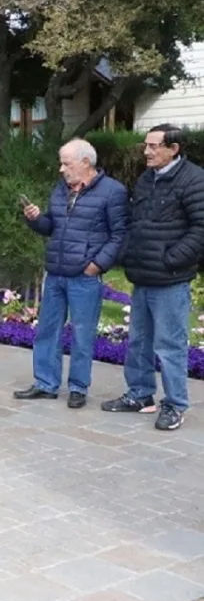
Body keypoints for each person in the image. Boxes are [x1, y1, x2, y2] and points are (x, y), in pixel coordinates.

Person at [101, 124, 204, 430]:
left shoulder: (194, 179)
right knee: (139, 341)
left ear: (174, 149)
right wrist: (129, 254)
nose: (147, 151)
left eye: (154, 146)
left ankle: (175, 404)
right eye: (146, 145)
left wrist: (170, 259)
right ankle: (140, 394)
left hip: (170, 278)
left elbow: (201, 229)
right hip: (142, 275)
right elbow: (136, 223)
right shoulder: (147, 180)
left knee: (169, 345)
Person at [14, 139, 129, 409]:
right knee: (47, 330)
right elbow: (51, 226)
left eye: (66, 163)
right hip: (55, 273)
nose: (61, 169)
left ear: (86, 163)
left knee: (82, 334)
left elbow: (120, 235)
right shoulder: (60, 190)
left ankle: (78, 387)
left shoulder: (113, 192)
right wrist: (35, 219)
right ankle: (45, 384)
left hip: (85, 276)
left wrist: (97, 265)